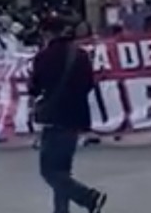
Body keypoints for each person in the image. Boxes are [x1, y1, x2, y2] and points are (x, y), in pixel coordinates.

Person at [29, 15, 107, 213]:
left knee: (49, 172)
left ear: (46, 33)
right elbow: (89, 84)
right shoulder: (80, 55)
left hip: (54, 118)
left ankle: (89, 197)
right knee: (62, 171)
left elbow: (35, 88)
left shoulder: (43, 57)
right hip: (76, 116)